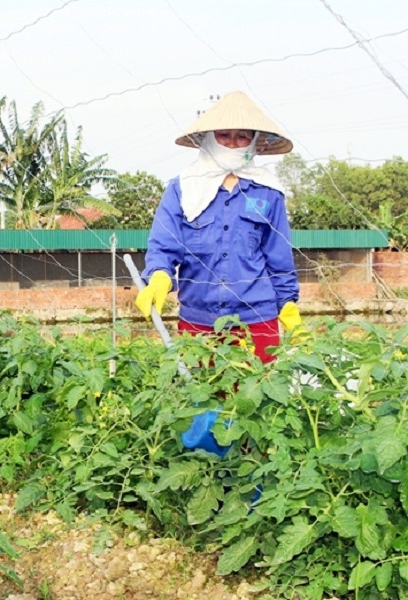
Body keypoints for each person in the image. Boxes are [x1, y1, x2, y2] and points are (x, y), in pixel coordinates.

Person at [135, 91, 302, 454]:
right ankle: (207, 482)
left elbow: (278, 257)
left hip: (257, 318)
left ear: (255, 142)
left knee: (259, 406)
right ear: (208, 139)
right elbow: (163, 244)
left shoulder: (268, 193)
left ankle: (255, 489)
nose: (232, 143)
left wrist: (288, 305)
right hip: (200, 320)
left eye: (242, 136)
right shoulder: (182, 189)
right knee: (203, 399)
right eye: (224, 135)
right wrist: (160, 277)